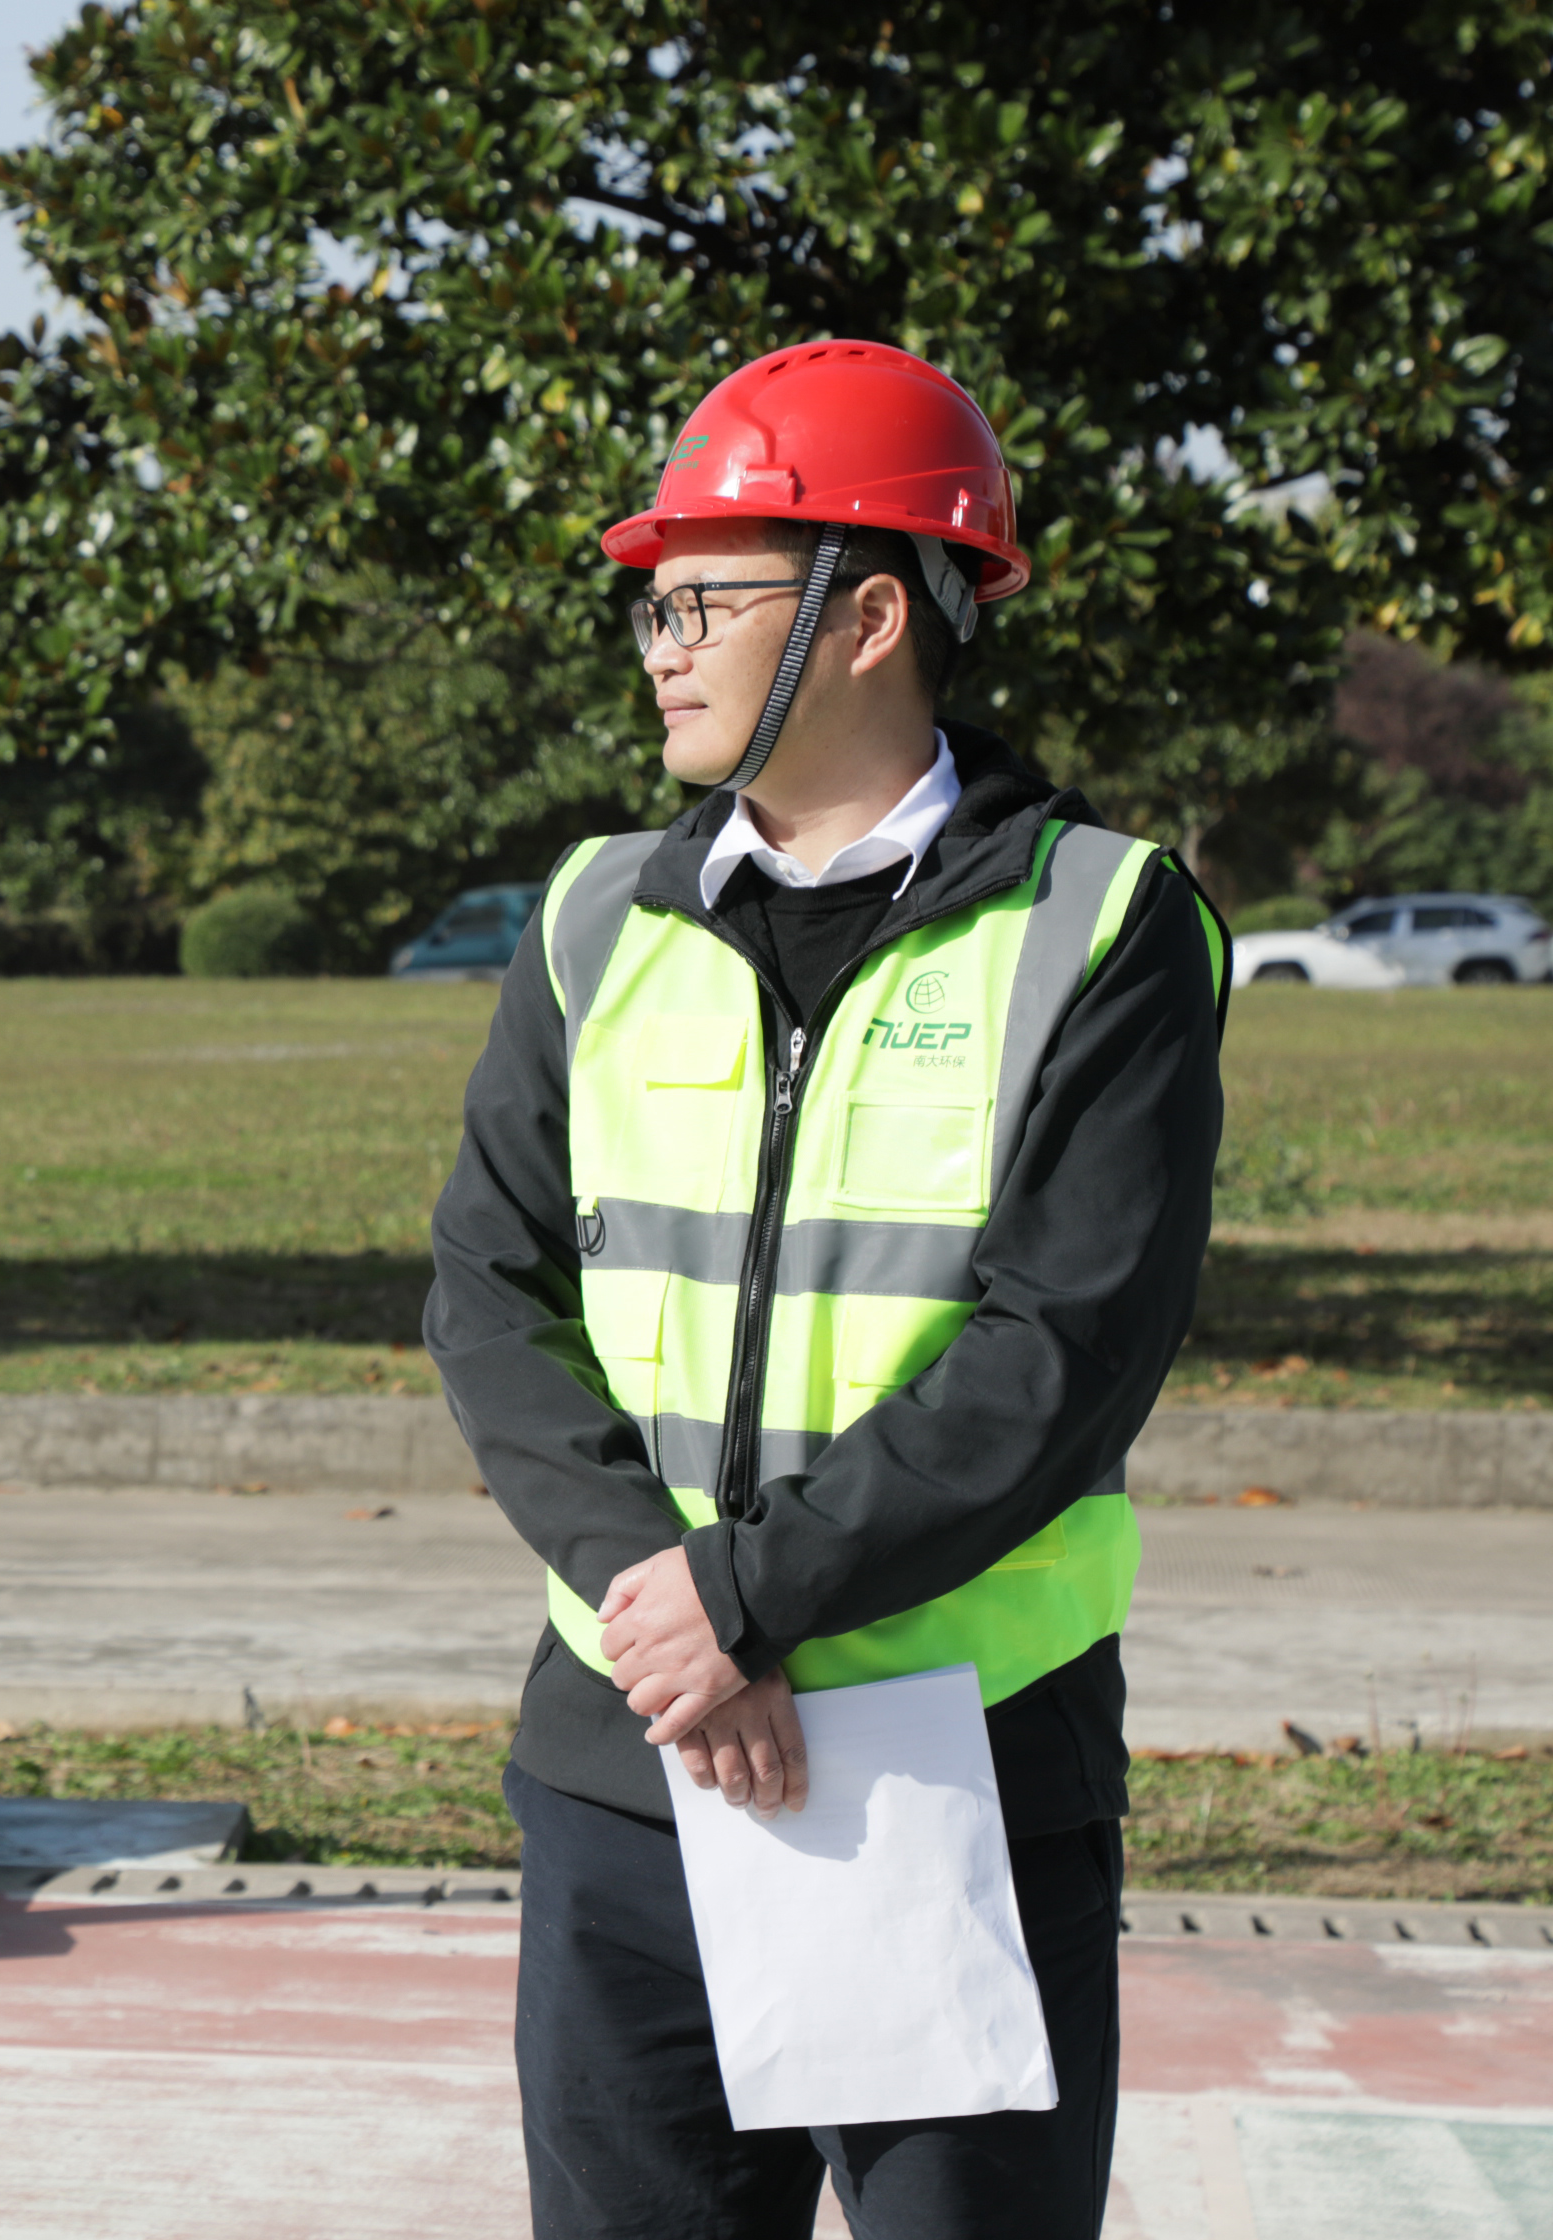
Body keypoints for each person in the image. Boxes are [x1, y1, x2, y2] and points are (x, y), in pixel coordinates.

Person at [427, 340, 1226, 2237]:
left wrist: (751, 1596)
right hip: (634, 1765)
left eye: (704, 598)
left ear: (871, 617)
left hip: (956, 1775)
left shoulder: (1103, 925)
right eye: (653, 602)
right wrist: (673, 1618)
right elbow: (488, 1290)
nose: (660, 644)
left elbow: (1064, 1352)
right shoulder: (595, 916)